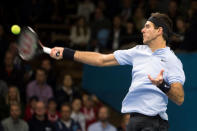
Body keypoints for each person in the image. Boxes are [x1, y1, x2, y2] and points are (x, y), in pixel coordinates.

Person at [50, 12, 185, 131]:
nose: (142, 30)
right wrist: (67, 53)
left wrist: (162, 85)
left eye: (147, 26)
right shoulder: (138, 51)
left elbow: (179, 98)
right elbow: (101, 60)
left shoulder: (172, 60)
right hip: (133, 122)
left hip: (154, 123)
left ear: (159, 31)